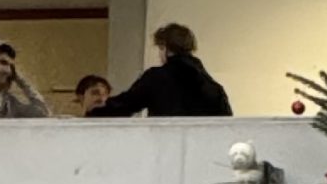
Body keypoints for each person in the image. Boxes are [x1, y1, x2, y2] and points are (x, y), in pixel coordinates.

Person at [88, 22, 232, 117]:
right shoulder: (213, 88)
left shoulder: (156, 78)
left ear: (165, 48)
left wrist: (94, 112)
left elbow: (125, 105)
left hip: (164, 148)